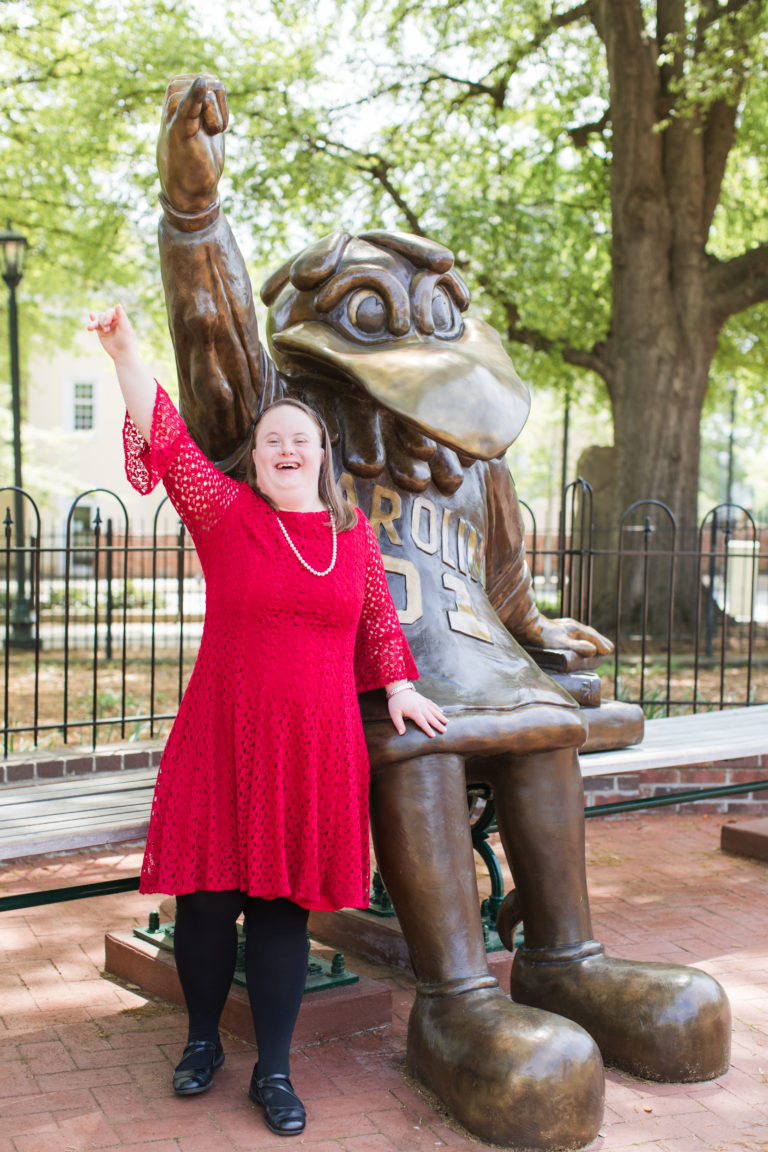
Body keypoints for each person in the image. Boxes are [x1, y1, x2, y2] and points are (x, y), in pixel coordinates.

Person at [89, 303, 447, 1138]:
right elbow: (168, 440)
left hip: (314, 746)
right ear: (257, 457)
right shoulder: (225, 515)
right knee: (208, 902)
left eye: (302, 441)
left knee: (285, 909)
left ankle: (276, 1073)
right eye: (274, 439)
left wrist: (397, 686)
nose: (288, 449)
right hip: (223, 734)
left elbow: (378, 626)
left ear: (322, 459)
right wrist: (126, 354)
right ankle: (202, 1042)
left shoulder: (352, 538)